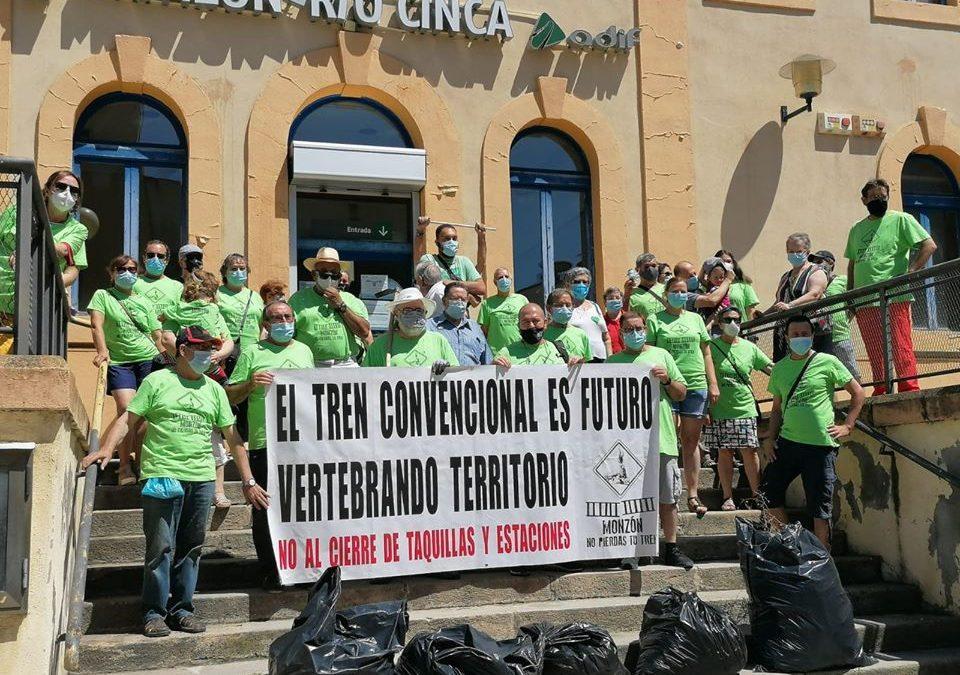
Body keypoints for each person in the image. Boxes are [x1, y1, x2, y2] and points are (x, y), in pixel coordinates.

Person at [83, 326, 268, 637]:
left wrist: (248, 480)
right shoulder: (157, 381)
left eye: (211, 347)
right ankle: (153, 612)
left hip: (202, 478)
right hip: (163, 476)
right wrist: (105, 449)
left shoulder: (214, 390)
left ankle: (182, 609)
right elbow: (128, 419)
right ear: (182, 350)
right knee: (160, 547)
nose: (208, 353)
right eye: (201, 347)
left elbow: (234, 439)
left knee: (191, 547)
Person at [226, 301, 313, 589]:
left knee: (303, 508)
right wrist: (250, 384)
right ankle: (268, 568)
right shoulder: (252, 352)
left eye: (288, 316)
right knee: (265, 509)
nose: (283, 321)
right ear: (265, 325)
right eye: (276, 318)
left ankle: (300, 566)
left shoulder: (304, 351)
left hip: (302, 443)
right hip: (266, 444)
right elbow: (230, 396)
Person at [761, 315, 865, 549]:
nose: (800, 338)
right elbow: (776, 409)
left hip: (821, 445)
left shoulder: (828, 362)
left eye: (804, 334)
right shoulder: (780, 368)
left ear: (812, 336)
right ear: (787, 338)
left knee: (820, 506)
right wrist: (770, 437)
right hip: (788, 442)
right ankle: (791, 542)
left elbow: (858, 392)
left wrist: (848, 425)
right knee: (768, 491)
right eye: (795, 334)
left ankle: (822, 558)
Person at [607, 312, 693, 569]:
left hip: (661, 438)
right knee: (628, 497)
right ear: (621, 334)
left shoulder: (661, 355)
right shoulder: (611, 363)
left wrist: (666, 379)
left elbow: (681, 394)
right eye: (630, 329)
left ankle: (672, 548)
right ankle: (630, 551)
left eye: (640, 328)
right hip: (627, 444)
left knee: (667, 498)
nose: (635, 333)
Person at [846, 178, 937, 395]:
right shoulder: (856, 229)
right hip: (864, 299)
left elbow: (929, 245)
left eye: (883, 197)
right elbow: (852, 263)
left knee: (900, 344)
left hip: (894, 296)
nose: (879, 200)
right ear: (864, 200)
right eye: (874, 197)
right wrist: (850, 295)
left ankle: (908, 388)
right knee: (875, 349)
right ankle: (881, 388)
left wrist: (911, 272)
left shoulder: (901, 220)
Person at [161, 272, 236, 507]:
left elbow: (228, 341)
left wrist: (211, 355)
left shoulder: (181, 311)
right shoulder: (178, 311)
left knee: (217, 427)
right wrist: (198, 356)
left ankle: (218, 490)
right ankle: (217, 491)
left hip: (209, 374)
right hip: (185, 377)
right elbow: (167, 338)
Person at [88, 255, 164, 486]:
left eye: (132, 269)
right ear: (111, 273)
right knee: (127, 409)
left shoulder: (143, 301)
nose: (127, 273)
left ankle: (141, 465)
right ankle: (123, 467)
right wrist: (102, 350)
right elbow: (96, 324)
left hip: (148, 360)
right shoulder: (103, 295)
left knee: (145, 417)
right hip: (120, 362)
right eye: (121, 269)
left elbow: (157, 334)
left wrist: (167, 360)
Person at [647, 276, 719, 518]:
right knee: (670, 441)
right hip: (668, 386)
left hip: (696, 384)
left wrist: (713, 383)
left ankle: (692, 493)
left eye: (684, 291)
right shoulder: (654, 320)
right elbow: (649, 352)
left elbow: (707, 353)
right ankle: (669, 494)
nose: (680, 295)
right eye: (675, 291)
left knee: (691, 441)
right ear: (666, 293)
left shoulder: (696, 319)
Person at [0, 170, 87, 350]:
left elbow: (70, 263)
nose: (67, 193)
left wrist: (54, 281)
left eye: (74, 190)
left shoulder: (77, 230)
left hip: (32, 310)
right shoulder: (15, 213)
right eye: (61, 186)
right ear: (47, 190)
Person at [703, 306, 773, 510]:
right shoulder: (711, 347)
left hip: (745, 407)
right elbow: (704, 375)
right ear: (719, 323)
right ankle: (727, 496)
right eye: (727, 319)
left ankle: (756, 494)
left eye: (736, 319)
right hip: (719, 408)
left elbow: (770, 368)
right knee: (725, 452)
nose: (732, 323)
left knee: (750, 451)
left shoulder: (749, 348)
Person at [289, 247, 371, 367]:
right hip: (311, 364)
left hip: (345, 364)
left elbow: (364, 332)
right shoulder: (298, 299)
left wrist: (341, 305)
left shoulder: (351, 299)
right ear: (314, 275)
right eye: (323, 273)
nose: (329, 277)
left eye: (334, 274)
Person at [766, 233, 830, 361]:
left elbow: (814, 294)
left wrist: (790, 306)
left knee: (812, 366)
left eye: (799, 251)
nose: (794, 254)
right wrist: (764, 315)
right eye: (791, 251)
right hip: (786, 334)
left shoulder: (816, 271)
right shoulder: (786, 277)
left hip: (812, 330)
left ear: (807, 252)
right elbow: (780, 302)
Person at [363, 288, 459, 369]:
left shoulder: (439, 341)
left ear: (425, 313)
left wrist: (447, 369)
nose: (414, 314)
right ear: (396, 313)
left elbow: (456, 376)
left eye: (419, 310)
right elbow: (367, 380)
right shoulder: (380, 345)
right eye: (407, 310)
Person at [810, 250, 861, 382]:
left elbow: (853, 301)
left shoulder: (842, 281)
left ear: (831, 263)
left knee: (852, 373)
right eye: (814, 262)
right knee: (824, 375)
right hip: (820, 337)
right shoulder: (812, 284)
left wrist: (846, 318)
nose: (816, 265)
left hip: (840, 335)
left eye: (819, 261)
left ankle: (861, 399)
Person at [493, 303, 583, 367]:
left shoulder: (560, 350)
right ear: (518, 326)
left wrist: (577, 363)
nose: (531, 326)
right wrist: (493, 367)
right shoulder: (506, 353)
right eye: (526, 322)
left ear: (545, 324)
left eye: (536, 321)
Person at [415, 217, 487, 298]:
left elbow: (481, 288)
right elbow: (418, 256)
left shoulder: (464, 261)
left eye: (454, 238)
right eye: (447, 239)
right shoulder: (430, 259)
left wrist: (449, 283)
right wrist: (420, 231)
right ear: (437, 242)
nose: (452, 242)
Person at [428, 282, 492, 366]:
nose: (459, 302)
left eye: (463, 299)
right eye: (455, 298)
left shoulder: (475, 328)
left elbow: (487, 361)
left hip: (473, 378)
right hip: (442, 378)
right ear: (444, 301)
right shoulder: (430, 327)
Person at [561, 267, 611, 362]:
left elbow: (606, 337)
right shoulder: (565, 309)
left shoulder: (595, 306)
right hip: (579, 361)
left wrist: (610, 359)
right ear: (568, 284)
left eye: (585, 282)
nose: (581, 285)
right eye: (577, 282)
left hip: (602, 359)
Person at [135, 240, 183, 333]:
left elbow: (182, 312)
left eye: (160, 256)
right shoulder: (134, 284)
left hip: (169, 342)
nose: (155, 259)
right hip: (142, 341)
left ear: (167, 260)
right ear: (144, 258)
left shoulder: (177, 286)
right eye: (151, 255)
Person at [478, 267, 528, 353]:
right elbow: (484, 332)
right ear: (495, 282)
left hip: (520, 351)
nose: (504, 279)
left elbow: (528, 324)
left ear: (511, 280)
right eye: (500, 277)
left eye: (506, 276)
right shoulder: (487, 303)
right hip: (496, 353)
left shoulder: (522, 299)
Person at [673, 259, 734, 326]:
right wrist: (728, 279)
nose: (694, 277)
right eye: (690, 276)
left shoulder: (699, 290)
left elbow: (701, 279)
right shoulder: (682, 296)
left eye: (694, 273)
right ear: (679, 279)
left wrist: (705, 266)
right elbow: (711, 301)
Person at [543, 288, 592, 362]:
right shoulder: (543, 334)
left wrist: (580, 361)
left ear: (573, 307)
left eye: (568, 305)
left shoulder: (581, 334)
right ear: (549, 308)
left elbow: (587, 362)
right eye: (559, 305)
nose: (564, 308)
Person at [716, 249, 761, 321]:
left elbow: (750, 312)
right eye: (722, 262)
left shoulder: (744, 285)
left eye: (728, 261)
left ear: (733, 264)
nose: (726, 264)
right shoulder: (713, 286)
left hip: (742, 329)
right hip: (719, 330)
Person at [625, 253, 665, 319]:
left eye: (653, 266)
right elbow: (626, 316)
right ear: (637, 269)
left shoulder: (667, 289)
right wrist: (626, 296)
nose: (651, 269)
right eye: (646, 266)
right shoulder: (632, 294)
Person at [603, 287, 625, 355]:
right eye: (611, 298)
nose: (614, 300)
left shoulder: (629, 319)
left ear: (622, 301)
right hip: (610, 362)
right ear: (605, 302)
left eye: (617, 298)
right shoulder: (601, 322)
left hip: (630, 361)